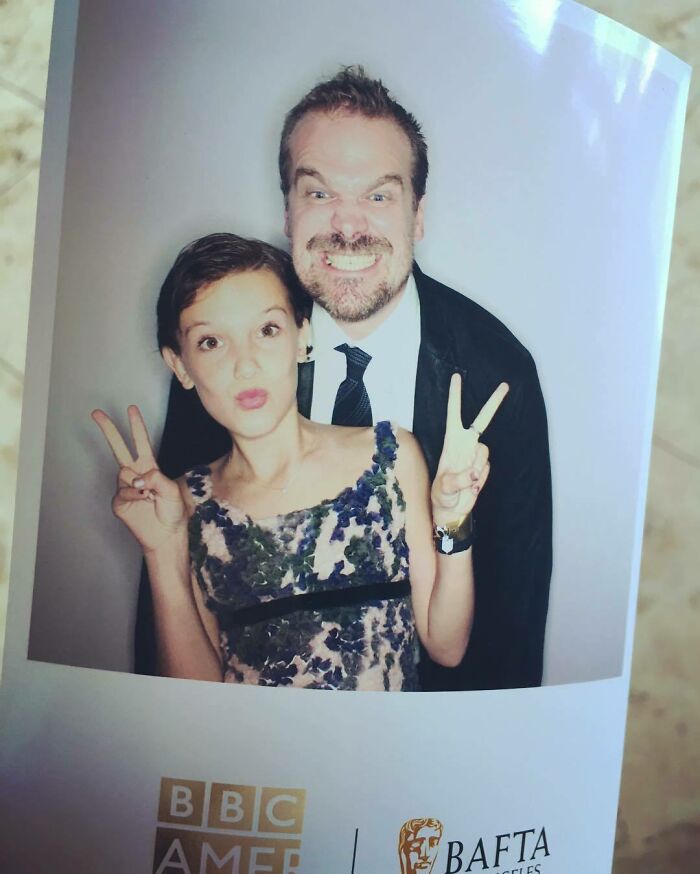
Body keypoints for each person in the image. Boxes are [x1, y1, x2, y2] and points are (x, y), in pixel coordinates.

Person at [142, 66, 552, 691]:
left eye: (379, 196)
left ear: (417, 215)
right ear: (288, 210)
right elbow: (177, 570)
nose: (349, 226)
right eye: (319, 193)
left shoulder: (499, 373)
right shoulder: (225, 353)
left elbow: (513, 616)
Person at [95, 234, 507, 690]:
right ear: (180, 366)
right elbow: (198, 703)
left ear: (303, 338)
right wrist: (162, 550)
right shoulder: (184, 505)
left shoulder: (391, 457)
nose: (246, 365)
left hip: (384, 738)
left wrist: (453, 520)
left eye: (267, 330)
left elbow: (447, 647)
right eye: (211, 342)